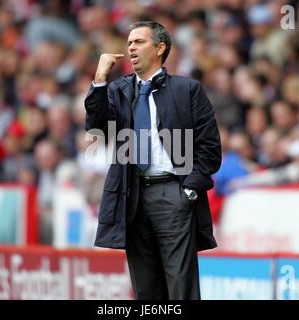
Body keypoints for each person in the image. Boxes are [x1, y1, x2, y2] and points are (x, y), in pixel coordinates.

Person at [84, 21, 222, 300]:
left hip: (174, 193)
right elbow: (96, 128)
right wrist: (99, 79)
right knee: (146, 289)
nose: (131, 47)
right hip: (132, 194)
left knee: (180, 286)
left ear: (160, 48)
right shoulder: (117, 90)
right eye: (129, 42)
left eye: (139, 41)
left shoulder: (187, 90)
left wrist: (189, 190)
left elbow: (209, 148)